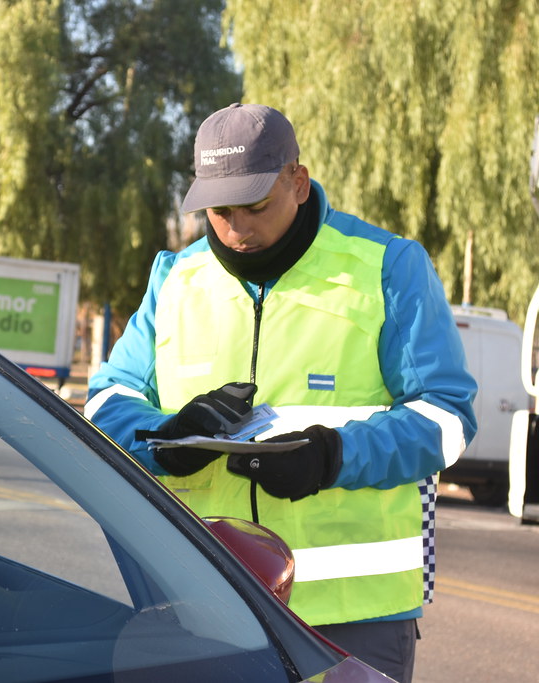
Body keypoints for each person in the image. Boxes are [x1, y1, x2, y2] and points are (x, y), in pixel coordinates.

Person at [84, 103, 477, 683]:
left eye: (255, 206)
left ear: (298, 181)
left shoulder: (389, 267)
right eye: (219, 211)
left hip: (352, 617)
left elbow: (447, 419)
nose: (237, 229)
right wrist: (161, 441)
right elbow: (104, 399)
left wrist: (331, 456)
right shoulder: (175, 278)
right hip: (204, 602)